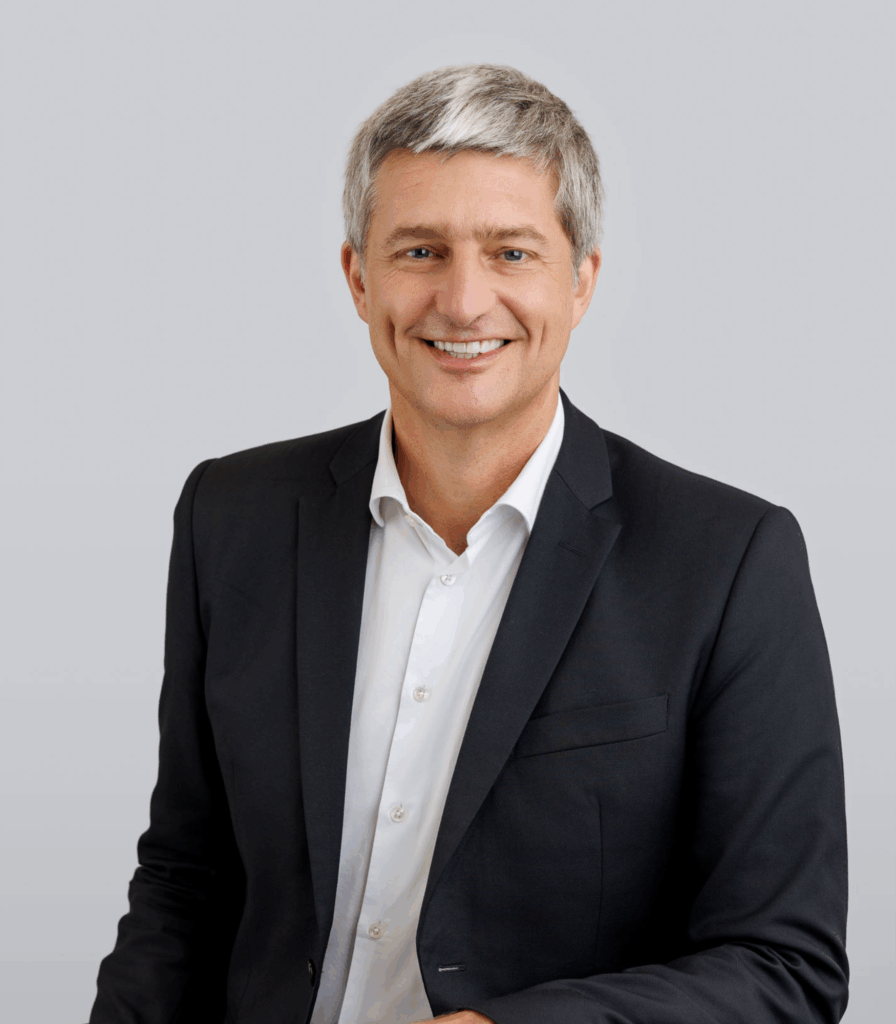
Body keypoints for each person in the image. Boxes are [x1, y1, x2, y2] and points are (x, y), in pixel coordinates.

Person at [88, 64, 848, 1024]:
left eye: (511, 253)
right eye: (420, 250)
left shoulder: (728, 562)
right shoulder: (231, 516)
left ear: (582, 281)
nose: (462, 300)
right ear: (358, 278)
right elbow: (184, 882)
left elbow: (785, 967)